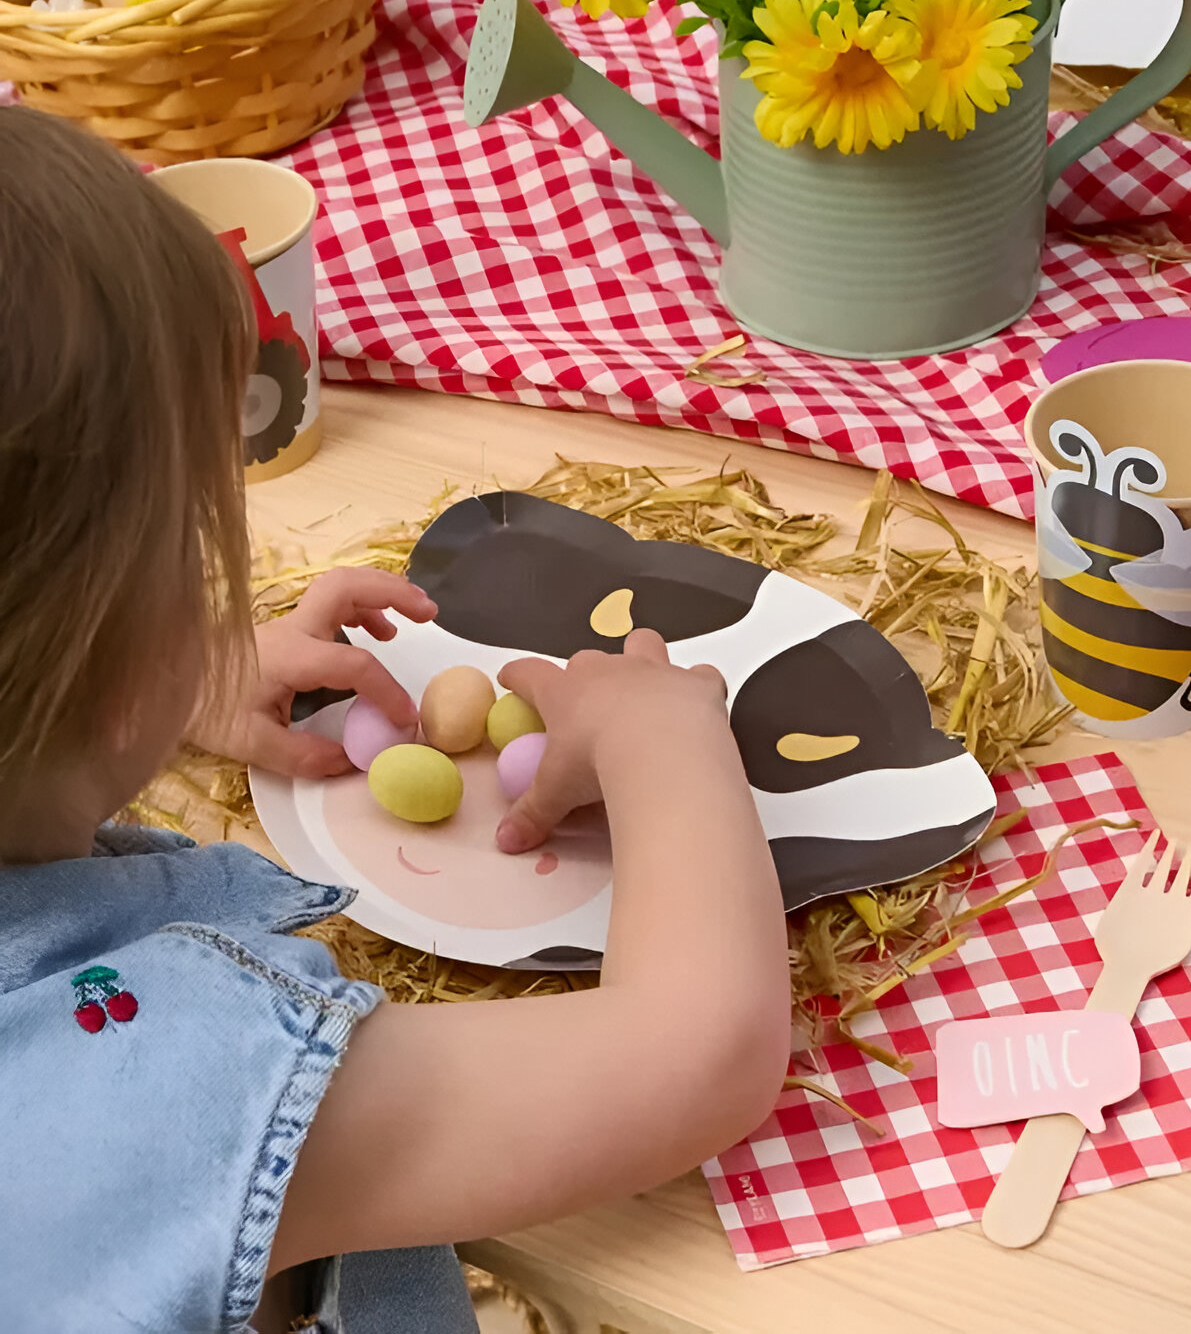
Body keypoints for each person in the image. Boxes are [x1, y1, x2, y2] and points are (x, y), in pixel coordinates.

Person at [0, 105, 791, 1332]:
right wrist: (666, 743)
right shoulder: (148, 1083)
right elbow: (696, 1053)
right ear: (104, 665)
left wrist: (154, 685)